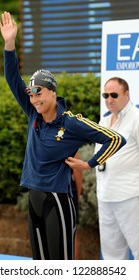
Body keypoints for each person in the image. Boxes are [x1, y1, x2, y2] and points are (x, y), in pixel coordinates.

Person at [0, 12, 126, 260]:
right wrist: (10, 43)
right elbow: (13, 78)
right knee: (40, 263)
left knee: (62, 264)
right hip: (34, 196)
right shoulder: (33, 113)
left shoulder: (72, 123)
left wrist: (89, 163)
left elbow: (115, 139)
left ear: (53, 92)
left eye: (39, 93)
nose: (34, 99)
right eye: (31, 94)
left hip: (58, 200)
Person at [95, 77, 139, 260]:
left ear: (127, 94)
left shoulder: (136, 118)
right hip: (105, 196)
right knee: (111, 253)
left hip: (130, 196)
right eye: (106, 95)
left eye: (114, 95)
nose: (109, 99)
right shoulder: (103, 121)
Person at [71, 151, 82, 259]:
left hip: (42, 189)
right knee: (72, 232)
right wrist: (78, 193)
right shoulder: (69, 137)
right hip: (66, 190)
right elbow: (77, 170)